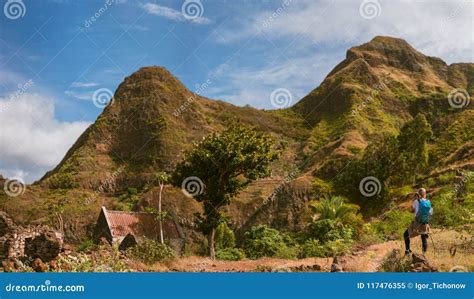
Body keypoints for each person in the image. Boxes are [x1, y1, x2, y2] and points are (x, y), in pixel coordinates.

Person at [403, 188, 433, 255]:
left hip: (417, 222)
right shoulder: (428, 201)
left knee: (405, 234)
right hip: (425, 223)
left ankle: (407, 251)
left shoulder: (416, 201)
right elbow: (430, 213)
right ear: (425, 194)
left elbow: (412, 210)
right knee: (423, 238)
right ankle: (424, 255)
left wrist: (415, 200)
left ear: (419, 194)